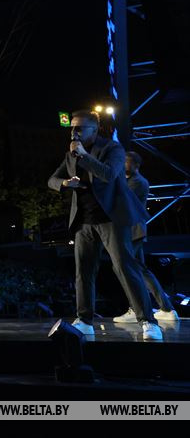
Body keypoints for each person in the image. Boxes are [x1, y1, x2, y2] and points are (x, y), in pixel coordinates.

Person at [47, 111, 162, 340]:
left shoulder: (113, 149)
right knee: (83, 272)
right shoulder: (70, 155)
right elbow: (51, 180)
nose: (74, 132)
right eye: (72, 128)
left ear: (94, 130)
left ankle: (148, 321)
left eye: (79, 128)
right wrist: (65, 183)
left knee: (125, 268)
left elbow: (108, 174)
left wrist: (83, 155)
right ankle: (84, 320)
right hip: (84, 221)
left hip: (112, 219)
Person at [113, 151, 178, 323]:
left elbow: (122, 201)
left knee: (127, 269)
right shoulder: (131, 181)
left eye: (126, 162)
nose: (123, 164)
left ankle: (139, 309)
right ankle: (166, 308)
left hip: (133, 231)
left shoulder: (138, 182)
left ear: (136, 165)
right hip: (133, 230)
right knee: (140, 270)